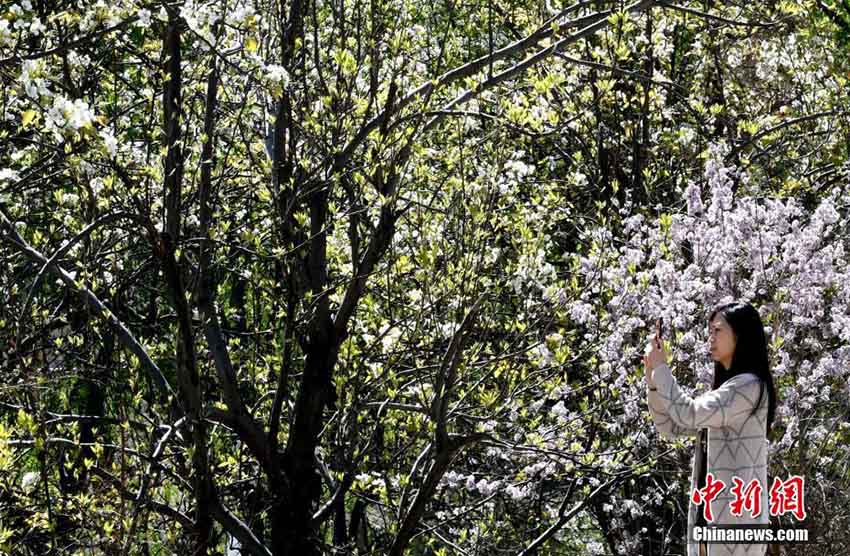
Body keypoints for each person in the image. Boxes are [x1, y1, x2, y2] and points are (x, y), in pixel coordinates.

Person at [644, 301, 777, 556]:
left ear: (741, 335)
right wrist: (652, 379)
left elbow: (689, 413)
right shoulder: (731, 390)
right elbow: (671, 426)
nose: (710, 339)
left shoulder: (748, 387)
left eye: (718, 331)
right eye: (709, 332)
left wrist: (662, 369)